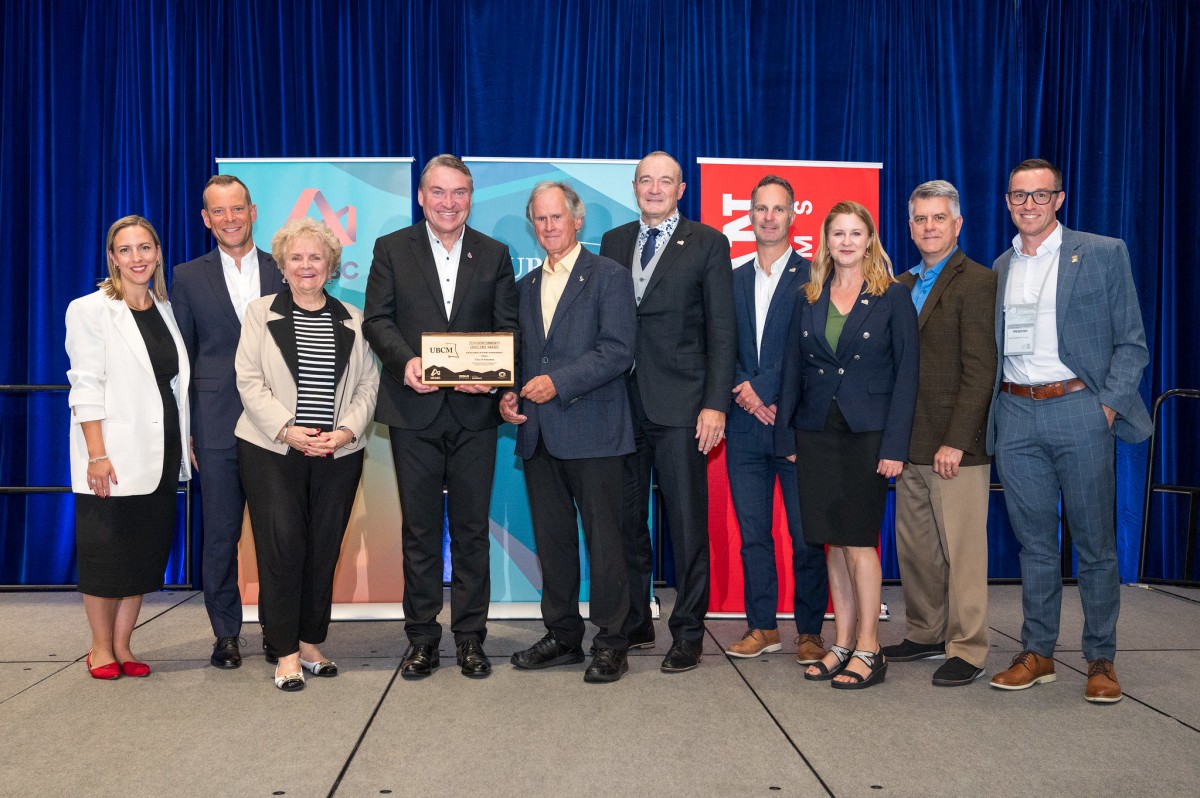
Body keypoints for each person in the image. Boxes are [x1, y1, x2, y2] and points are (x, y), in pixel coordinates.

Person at [987, 159, 1152, 703]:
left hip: (1079, 410)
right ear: (1007, 201)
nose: (1028, 204)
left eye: (1040, 195)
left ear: (1059, 199)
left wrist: (1106, 407)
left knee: (1095, 544)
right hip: (1015, 414)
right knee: (1034, 544)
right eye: (1019, 195)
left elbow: (1132, 343)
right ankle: (1038, 653)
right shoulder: (1000, 265)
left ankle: (1100, 658)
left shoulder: (1103, 253)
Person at [364, 154, 519, 680]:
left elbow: (508, 327)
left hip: (475, 414)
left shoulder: (495, 254)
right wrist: (406, 361)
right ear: (421, 196)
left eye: (458, 193)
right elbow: (376, 320)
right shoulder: (392, 249)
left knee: (473, 532)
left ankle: (471, 639)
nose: (448, 203)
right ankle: (423, 640)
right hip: (415, 413)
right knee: (421, 532)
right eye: (438, 192)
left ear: (470, 197)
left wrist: (496, 373)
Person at [599, 151, 735, 673]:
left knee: (685, 524)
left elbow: (722, 332)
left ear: (682, 189)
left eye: (665, 181)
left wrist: (714, 404)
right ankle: (636, 621)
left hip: (682, 406)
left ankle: (688, 632)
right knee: (627, 519)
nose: (654, 188)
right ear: (634, 187)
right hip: (617, 405)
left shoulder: (707, 243)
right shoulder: (613, 243)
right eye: (646, 180)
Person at [775, 201, 919, 689]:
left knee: (858, 541)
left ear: (870, 240)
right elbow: (792, 371)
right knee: (831, 542)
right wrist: (786, 437)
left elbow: (907, 378)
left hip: (869, 436)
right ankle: (841, 643)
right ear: (826, 241)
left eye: (856, 233)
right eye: (838, 233)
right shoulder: (808, 295)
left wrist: (895, 444)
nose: (846, 241)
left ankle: (869, 647)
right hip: (816, 434)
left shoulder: (893, 296)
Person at [234, 217, 379, 691]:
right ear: (282, 265)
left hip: (337, 451)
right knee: (283, 546)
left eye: (315, 257)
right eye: (295, 257)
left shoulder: (352, 319)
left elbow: (366, 384)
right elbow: (249, 380)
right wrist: (288, 430)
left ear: (331, 265)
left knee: (323, 547)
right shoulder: (260, 313)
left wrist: (344, 432)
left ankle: (312, 641)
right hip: (273, 448)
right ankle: (285, 650)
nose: (305, 265)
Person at [501, 181, 636, 683]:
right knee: (552, 542)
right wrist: (510, 393)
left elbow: (618, 351)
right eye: (539, 219)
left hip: (596, 432)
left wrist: (555, 383)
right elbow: (522, 359)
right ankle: (562, 635)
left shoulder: (609, 276)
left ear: (577, 220)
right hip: (539, 436)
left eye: (556, 217)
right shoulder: (526, 286)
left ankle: (611, 640)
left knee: (605, 543)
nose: (548, 226)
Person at [65, 215, 191, 680]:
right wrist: (96, 453)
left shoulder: (165, 308)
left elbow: (175, 384)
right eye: (125, 249)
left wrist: (187, 441)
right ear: (112, 257)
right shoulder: (90, 309)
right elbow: (85, 387)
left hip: (161, 452)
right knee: (104, 552)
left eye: (144, 248)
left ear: (157, 253)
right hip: (112, 455)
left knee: (142, 552)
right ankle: (99, 648)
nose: (136, 258)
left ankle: (123, 645)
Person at [883, 180, 997, 687]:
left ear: (957, 224)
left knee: (963, 553)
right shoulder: (900, 284)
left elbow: (981, 369)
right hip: (908, 443)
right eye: (920, 219)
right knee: (917, 551)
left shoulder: (977, 281)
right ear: (910, 227)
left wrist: (958, 439)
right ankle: (927, 631)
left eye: (938, 218)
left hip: (955, 447)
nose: (929, 227)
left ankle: (968, 648)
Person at [172, 174, 284, 669]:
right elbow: (183, 359)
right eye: (219, 211)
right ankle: (226, 635)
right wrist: (187, 431)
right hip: (215, 425)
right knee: (220, 535)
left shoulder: (284, 267)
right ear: (206, 219)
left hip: (279, 424)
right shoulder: (187, 276)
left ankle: (280, 632)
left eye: (237, 208)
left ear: (253, 211)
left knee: (278, 534)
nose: (230, 219)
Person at [722, 176, 829, 665]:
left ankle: (809, 632)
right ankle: (761, 626)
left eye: (778, 208)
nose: (769, 217)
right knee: (754, 536)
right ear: (749, 215)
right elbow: (719, 344)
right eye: (761, 208)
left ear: (792, 216)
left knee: (807, 537)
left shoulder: (815, 278)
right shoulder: (732, 277)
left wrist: (764, 390)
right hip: (744, 429)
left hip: (795, 427)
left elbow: (813, 354)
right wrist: (745, 390)